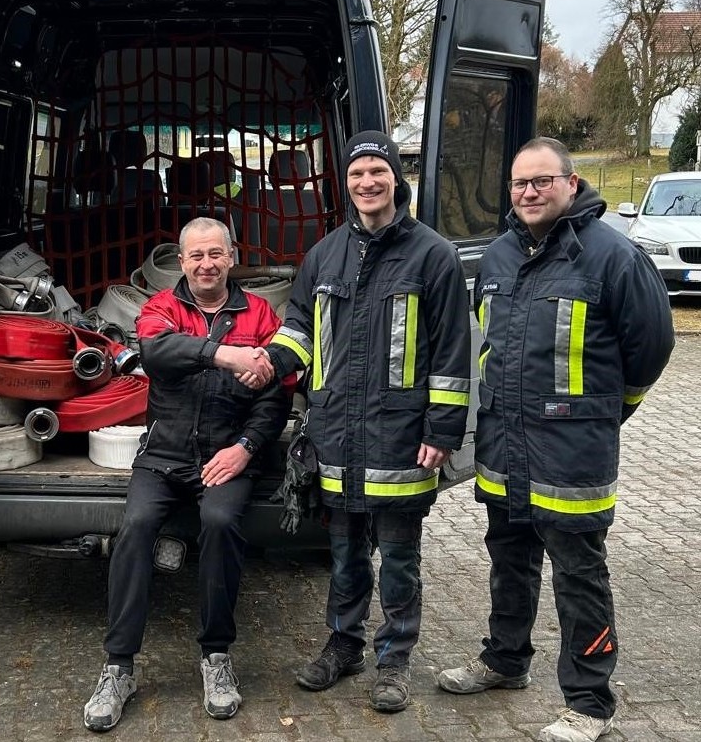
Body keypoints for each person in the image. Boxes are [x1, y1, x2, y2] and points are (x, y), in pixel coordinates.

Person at [437, 137, 674, 742]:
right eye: (520, 183)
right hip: (503, 446)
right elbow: (490, 345)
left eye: (542, 181)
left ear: (571, 184)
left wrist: (604, 414)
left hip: (572, 453)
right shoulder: (497, 256)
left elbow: (651, 348)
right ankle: (505, 660)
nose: (530, 192)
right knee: (508, 559)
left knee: (579, 575)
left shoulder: (614, 257)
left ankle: (590, 702)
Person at [260, 130, 471, 713]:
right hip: (336, 432)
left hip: (400, 435)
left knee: (400, 557)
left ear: (396, 179)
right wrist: (271, 360)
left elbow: (452, 351)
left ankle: (395, 659)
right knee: (345, 552)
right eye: (357, 174)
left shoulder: (433, 255)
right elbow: (299, 327)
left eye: (378, 171)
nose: (367, 182)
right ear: (345, 183)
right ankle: (344, 644)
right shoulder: (324, 254)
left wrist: (442, 431)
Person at [82, 217, 291, 732]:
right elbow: (157, 353)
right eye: (196, 255)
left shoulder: (260, 313)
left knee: (220, 523)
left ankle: (216, 656)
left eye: (215, 254)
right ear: (181, 261)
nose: (206, 264)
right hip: (164, 455)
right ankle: (118, 667)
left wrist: (246, 448)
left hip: (226, 454)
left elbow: (275, 397)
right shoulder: (161, 307)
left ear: (231, 257)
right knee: (134, 529)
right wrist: (225, 354)